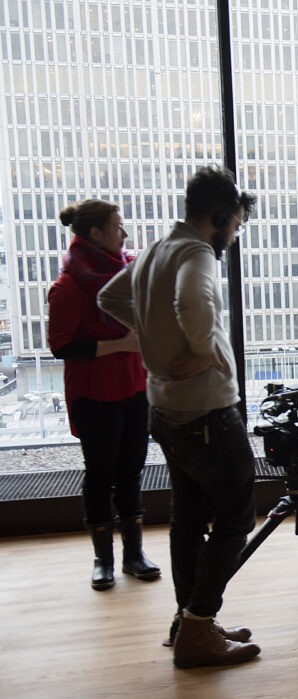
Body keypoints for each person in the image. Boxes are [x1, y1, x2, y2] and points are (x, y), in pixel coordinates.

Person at [98, 166, 260, 668]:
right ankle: (196, 629)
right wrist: (204, 348)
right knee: (235, 518)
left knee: (188, 519)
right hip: (207, 409)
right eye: (234, 224)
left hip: (165, 408)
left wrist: (155, 337)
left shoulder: (153, 250)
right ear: (218, 216)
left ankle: (190, 621)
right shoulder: (195, 252)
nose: (233, 234)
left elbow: (111, 297)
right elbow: (193, 297)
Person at [47, 199, 160, 591]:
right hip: (95, 394)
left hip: (134, 387)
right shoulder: (68, 286)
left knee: (131, 470)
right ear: (95, 234)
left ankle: (134, 555)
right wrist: (124, 345)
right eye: (117, 226)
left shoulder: (127, 273)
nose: (124, 233)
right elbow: (61, 346)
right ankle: (103, 560)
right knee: (100, 475)